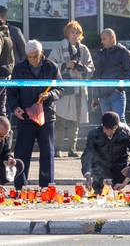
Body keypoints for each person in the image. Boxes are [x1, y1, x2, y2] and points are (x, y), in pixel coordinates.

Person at [7, 40, 63, 190]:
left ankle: (46, 187)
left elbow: (60, 89)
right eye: (30, 57)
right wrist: (15, 108)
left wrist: (50, 95)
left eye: (36, 56)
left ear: (41, 53)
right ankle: (19, 186)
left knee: (47, 152)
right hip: (25, 115)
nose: (33, 60)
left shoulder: (51, 67)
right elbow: (11, 91)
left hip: (46, 115)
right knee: (22, 151)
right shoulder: (19, 69)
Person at [48, 20, 94, 158]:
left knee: (75, 120)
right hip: (64, 88)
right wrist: (64, 65)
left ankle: (72, 148)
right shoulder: (59, 47)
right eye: (72, 32)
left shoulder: (84, 49)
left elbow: (91, 68)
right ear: (67, 33)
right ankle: (57, 148)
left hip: (78, 89)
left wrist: (80, 66)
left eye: (77, 32)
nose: (75, 35)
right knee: (60, 119)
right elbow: (50, 65)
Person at [81, 111, 130, 194]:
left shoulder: (125, 132)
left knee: (119, 186)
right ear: (103, 126)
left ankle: (119, 185)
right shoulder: (94, 134)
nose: (109, 132)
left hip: (119, 166)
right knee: (98, 192)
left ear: (116, 126)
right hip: (101, 167)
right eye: (106, 129)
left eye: (112, 129)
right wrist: (88, 174)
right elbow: (87, 155)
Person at [92, 28, 130, 123]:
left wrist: (119, 88)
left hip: (116, 94)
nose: (101, 41)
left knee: (119, 122)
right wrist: (95, 96)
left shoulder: (124, 52)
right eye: (101, 38)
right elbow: (97, 75)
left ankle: (125, 138)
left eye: (104, 38)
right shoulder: (101, 54)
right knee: (107, 124)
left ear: (112, 38)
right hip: (103, 95)